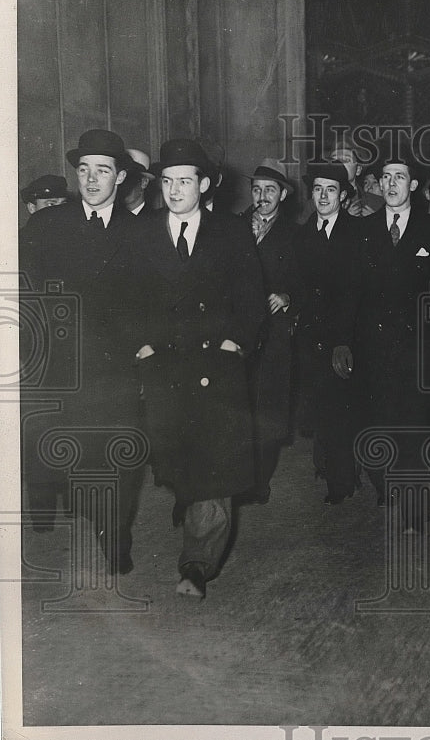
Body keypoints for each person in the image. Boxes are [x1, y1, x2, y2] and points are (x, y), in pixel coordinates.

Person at [122, 138, 266, 599]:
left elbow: (251, 299)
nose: (175, 190)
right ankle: (189, 506)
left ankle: (197, 565)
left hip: (215, 366)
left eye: (185, 181)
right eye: (167, 181)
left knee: (214, 467)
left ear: (204, 185)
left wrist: (234, 344)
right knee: (178, 462)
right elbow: (125, 299)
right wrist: (141, 345)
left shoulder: (230, 232)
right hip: (164, 366)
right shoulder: (143, 232)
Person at [19, 129, 143, 572]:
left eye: (103, 171)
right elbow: (23, 293)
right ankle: (53, 509)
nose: (91, 180)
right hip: (59, 363)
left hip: (116, 367)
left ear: (121, 176)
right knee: (60, 450)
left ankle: (116, 537)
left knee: (117, 452)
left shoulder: (143, 231)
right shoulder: (47, 225)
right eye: (84, 170)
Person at [335, 155, 430, 528]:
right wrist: (343, 341)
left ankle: (416, 503)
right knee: (379, 419)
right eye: (385, 177)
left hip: (419, 348)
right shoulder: (361, 231)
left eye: (399, 177)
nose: (390, 184)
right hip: (373, 347)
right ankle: (386, 485)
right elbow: (350, 291)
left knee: (416, 424)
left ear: (413, 185)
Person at [293, 162, 362, 506]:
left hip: (343, 338)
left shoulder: (356, 233)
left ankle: (343, 478)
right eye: (318, 189)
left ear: (344, 196)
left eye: (331, 189)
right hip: (309, 338)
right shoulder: (303, 234)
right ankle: (329, 468)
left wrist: (344, 340)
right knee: (320, 408)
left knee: (341, 409)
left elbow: (355, 293)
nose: (322, 196)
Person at [241, 159, 301, 503]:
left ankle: (260, 482)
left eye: (270, 190)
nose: (262, 196)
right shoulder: (234, 227)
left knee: (269, 409)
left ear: (283, 194)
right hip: (242, 332)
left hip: (276, 333)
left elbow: (307, 281)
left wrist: (288, 296)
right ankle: (241, 477)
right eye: (257, 189)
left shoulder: (294, 234)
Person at [118, 149, 155, 215]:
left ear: (144, 182)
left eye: (130, 179)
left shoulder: (155, 219)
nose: (124, 185)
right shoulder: (111, 218)